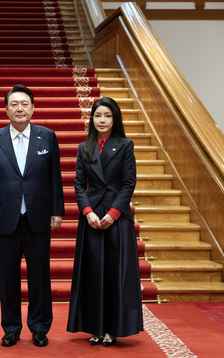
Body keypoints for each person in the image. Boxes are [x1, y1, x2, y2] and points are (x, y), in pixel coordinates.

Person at [0, 85, 65, 347]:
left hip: (38, 216)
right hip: (6, 216)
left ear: (33, 107)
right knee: (8, 276)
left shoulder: (47, 136)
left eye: (25, 104)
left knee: (40, 275)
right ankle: (11, 327)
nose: (20, 108)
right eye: (14, 104)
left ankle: (39, 326)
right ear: (6, 109)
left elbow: (55, 177)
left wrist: (57, 210)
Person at [67, 97, 143, 347]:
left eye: (107, 116)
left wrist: (113, 213)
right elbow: (79, 184)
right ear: (92, 119)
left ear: (114, 119)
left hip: (116, 218)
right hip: (91, 218)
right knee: (92, 275)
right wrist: (87, 211)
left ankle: (112, 329)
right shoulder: (84, 147)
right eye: (98, 115)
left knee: (113, 274)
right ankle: (94, 327)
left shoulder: (125, 145)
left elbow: (128, 183)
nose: (102, 120)